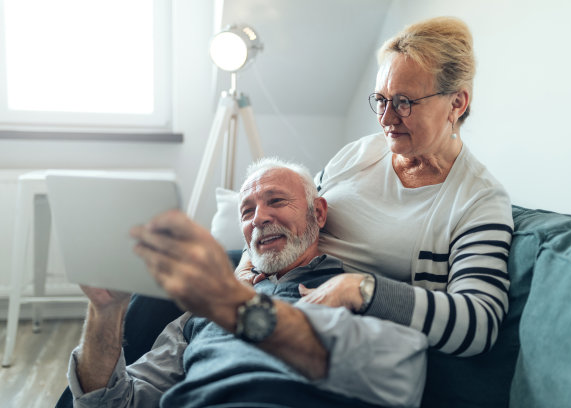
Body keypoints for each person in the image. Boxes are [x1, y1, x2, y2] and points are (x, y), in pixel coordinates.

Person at [238, 16, 513, 357]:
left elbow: (479, 324)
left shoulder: (478, 200)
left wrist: (365, 290)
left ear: (457, 103)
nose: (385, 118)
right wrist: (246, 266)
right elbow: (293, 215)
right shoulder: (359, 153)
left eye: (404, 102)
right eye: (381, 100)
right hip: (277, 287)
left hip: (344, 336)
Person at [67, 158, 427, 408]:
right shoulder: (199, 312)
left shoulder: (354, 288)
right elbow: (114, 402)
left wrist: (235, 305)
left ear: (317, 212)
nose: (259, 218)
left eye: (276, 201)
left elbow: (404, 375)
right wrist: (106, 311)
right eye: (246, 211)